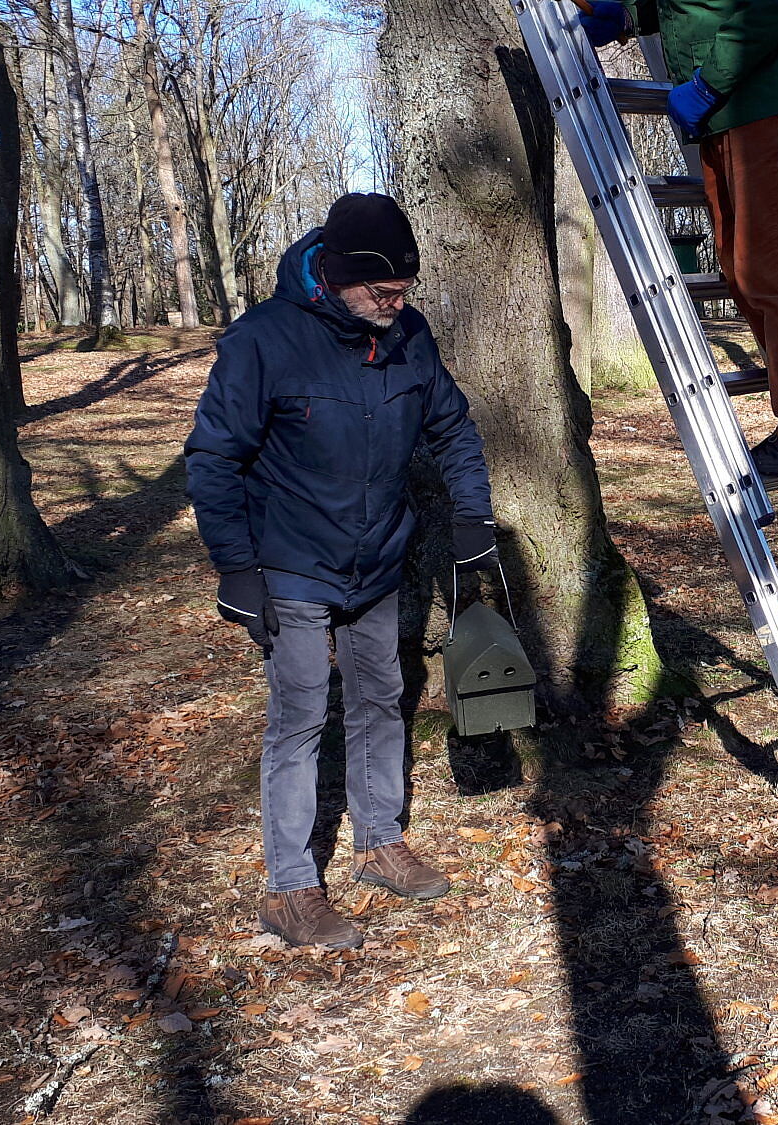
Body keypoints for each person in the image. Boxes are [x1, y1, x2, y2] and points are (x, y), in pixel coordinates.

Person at [185, 192, 501, 950]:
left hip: (380, 559)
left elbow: (452, 426)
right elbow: (213, 458)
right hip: (290, 562)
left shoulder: (407, 336)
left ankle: (379, 841)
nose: (396, 303)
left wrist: (472, 517)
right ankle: (289, 888)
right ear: (334, 273)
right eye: (381, 291)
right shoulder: (263, 342)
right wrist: (236, 569)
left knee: (381, 697)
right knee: (298, 718)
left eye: (404, 290)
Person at [579, 0, 778, 478]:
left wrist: (709, 83)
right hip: (724, 114)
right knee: (742, 271)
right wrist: (630, 16)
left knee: (774, 271)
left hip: (760, 105)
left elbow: (775, 10)